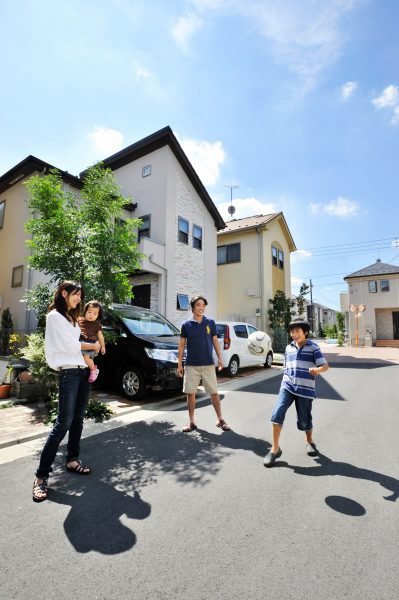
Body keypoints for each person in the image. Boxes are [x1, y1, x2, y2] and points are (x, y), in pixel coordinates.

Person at [32, 281, 101, 503]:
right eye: (75, 294)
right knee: (63, 422)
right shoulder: (55, 316)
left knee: (78, 419)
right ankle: (41, 477)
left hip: (82, 372)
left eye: (81, 295)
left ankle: (72, 459)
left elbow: (77, 342)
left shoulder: (72, 319)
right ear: (64, 293)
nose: (79, 298)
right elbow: (69, 345)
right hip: (69, 373)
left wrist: (90, 348)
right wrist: (93, 347)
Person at [264, 317, 329, 467]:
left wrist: (317, 370)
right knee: (277, 414)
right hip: (287, 386)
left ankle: (309, 440)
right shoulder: (288, 348)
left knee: (305, 420)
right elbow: (287, 367)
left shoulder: (313, 348)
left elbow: (325, 366)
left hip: (305, 389)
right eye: (292, 332)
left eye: (297, 331)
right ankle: (275, 449)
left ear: (305, 332)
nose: (294, 334)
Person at [177, 294, 231, 433]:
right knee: (190, 393)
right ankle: (192, 422)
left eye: (203, 305)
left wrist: (220, 358)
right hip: (191, 365)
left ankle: (220, 419)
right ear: (193, 308)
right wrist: (179, 364)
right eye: (198, 305)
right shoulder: (186, 325)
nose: (201, 308)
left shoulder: (210, 322)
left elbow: (215, 341)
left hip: (208, 363)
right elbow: (182, 346)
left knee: (214, 392)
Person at [78, 300, 106, 383]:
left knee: (86, 357)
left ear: (98, 315)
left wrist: (103, 346)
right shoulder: (79, 320)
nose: (91, 315)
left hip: (91, 343)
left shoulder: (97, 325)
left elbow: (100, 337)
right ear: (85, 311)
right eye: (89, 312)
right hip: (80, 341)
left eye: (95, 314)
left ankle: (93, 370)